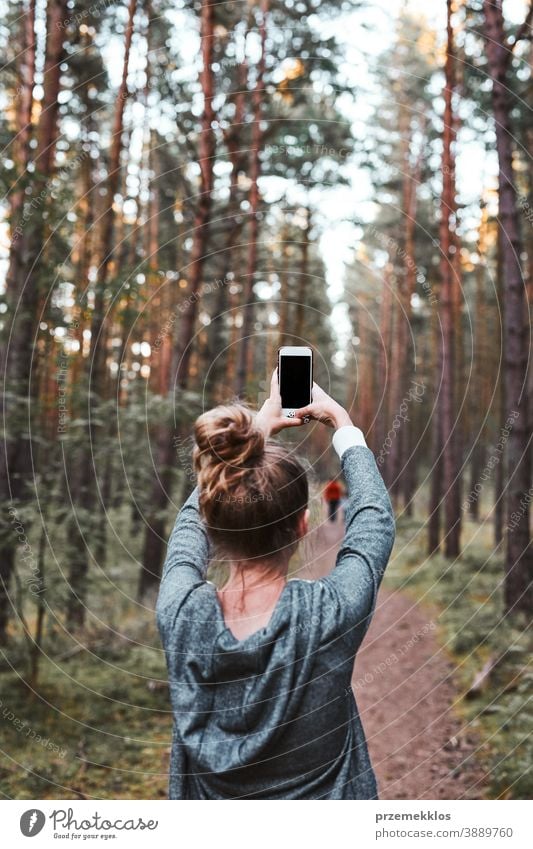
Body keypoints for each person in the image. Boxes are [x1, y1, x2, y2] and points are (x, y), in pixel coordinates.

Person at [156, 371, 395, 799]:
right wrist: (343, 424)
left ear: (213, 522)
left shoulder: (181, 613)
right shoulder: (330, 612)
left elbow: (190, 527)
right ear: (303, 526)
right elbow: (373, 522)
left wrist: (258, 429)